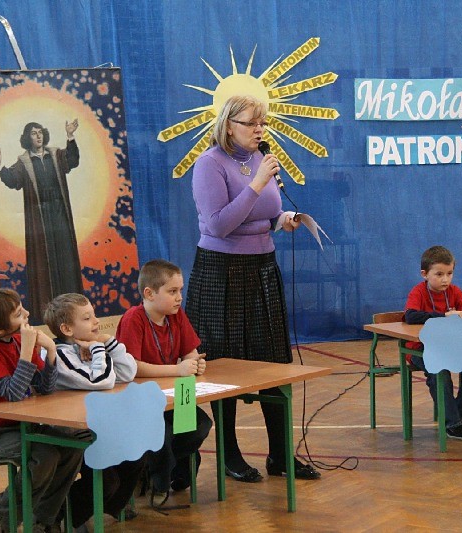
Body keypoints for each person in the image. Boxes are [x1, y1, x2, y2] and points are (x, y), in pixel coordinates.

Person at [184, 94, 320, 482]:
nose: (259, 130)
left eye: (262, 123)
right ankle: (229, 455)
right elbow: (218, 225)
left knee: (273, 362)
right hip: (221, 272)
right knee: (224, 363)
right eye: (251, 123)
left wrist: (284, 218)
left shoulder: (261, 158)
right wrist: (257, 185)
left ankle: (280, 455)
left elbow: (264, 213)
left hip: (262, 268)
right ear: (229, 125)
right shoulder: (209, 164)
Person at [0, 288, 83, 533]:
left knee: (72, 447)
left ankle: (44, 519)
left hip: (22, 427)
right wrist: (27, 352)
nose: (27, 314)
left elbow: (45, 388)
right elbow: (14, 393)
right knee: (45, 456)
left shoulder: (18, 342)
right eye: (18, 314)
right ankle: (3, 508)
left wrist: (51, 352)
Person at [116, 259, 213, 504]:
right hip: (142, 398)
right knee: (163, 433)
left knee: (200, 424)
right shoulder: (134, 318)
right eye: (172, 291)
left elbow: (191, 352)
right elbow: (133, 367)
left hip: (174, 394)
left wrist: (195, 363)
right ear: (149, 293)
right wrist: (178, 369)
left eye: (180, 290)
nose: (179, 297)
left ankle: (163, 468)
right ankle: (159, 479)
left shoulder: (176, 315)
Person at [43, 293, 140, 530]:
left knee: (137, 454)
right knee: (107, 480)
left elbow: (127, 373)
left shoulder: (85, 347)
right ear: (67, 329)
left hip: (95, 427)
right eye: (87, 318)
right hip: (70, 431)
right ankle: (57, 517)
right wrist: (98, 349)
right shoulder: (60, 354)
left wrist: (108, 343)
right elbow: (101, 382)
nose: (96, 322)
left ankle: (103, 506)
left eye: (94, 315)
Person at [0, 120, 84, 321]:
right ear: (27, 138)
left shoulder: (56, 155)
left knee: (65, 258)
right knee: (45, 261)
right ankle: (49, 314)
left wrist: (70, 136)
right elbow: (12, 181)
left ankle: (73, 310)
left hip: (59, 214)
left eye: (40, 132)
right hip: (40, 220)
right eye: (34, 133)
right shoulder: (24, 162)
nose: (38, 136)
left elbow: (73, 160)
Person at [403, 246, 462, 441]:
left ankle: (461, 416)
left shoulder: (454, 291)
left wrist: (460, 316)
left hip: (449, 347)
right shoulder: (418, 292)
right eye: (439, 274)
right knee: (439, 370)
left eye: (449, 274)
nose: (445, 279)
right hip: (420, 348)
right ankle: (453, 424)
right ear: (425, 274)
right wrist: (444, 316)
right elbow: (411, 315)